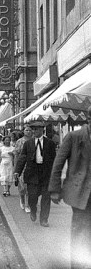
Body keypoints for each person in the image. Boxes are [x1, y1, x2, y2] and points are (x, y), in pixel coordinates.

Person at [49, 106, 91, 268]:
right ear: (88, 119)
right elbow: (58, 163)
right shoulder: (74, 137)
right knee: (80, 231)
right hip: (79, 193)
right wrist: (54, 189)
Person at [14, 122, 57, 227]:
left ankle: (44, 219)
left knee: (46, 198)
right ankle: (33, 210)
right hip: (32, 173)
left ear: (42, 130)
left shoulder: (50, 143)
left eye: (36, 129)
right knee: (32, 197)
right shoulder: (28, 143)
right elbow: (22, 157)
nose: (34, 131)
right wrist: (17, 171)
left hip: (46, 173)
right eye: (32, 129)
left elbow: (54, 159)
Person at [13, 128, 31, 212]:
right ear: (23, 131)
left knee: (29, 186)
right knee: (22, 186)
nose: (28, 132)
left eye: (30, 130)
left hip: (31, 166)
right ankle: (22, 199)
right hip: (22, 166)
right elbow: (16, 155)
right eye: (26, 130)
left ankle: (28, 204)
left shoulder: (34, 140)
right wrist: (16, 168)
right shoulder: (19, 141)